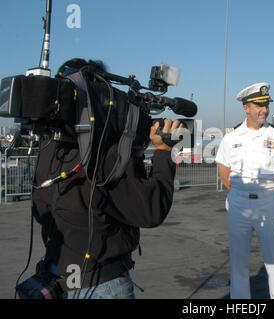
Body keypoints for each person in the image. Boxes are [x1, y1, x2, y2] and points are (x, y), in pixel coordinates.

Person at [30, 59, 182, 299]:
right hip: (101, 283)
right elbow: (151, 210)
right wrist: (163, 152)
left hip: (57, 276)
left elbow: (40, 210)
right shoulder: (104, 156)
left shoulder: (49, 149)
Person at [215, 82, 274, 299]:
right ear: (246, 107)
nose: (264, 110)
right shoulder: (231, 138)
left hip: (269, 204)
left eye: (266, 104)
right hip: (238, 204)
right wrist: (244, 194)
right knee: (238, 262)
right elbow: (224, 173)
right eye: (259, 105)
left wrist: (268, 196)